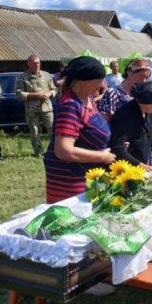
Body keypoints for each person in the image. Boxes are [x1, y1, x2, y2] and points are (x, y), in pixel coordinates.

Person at [43, 56, 115, 203]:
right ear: (85, 80)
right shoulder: (71, 106)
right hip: (71, 177)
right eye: (99, 80)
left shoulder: (88, 99)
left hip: (87, 172)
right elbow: (63, 150)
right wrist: (101, 156)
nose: (102, 85)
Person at [16, 54, 57, 157]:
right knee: (34, 131)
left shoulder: (46, 75)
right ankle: (39, 152)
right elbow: (19, 93)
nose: (37, 65)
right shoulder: (23, 77)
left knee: (52, 129)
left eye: (38, 63)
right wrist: (36, 95)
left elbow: (54, 89)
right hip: (32, 109)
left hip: (46, 108)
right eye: (35, 63)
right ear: (29, 64)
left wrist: (49, 94)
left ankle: (56, 151)